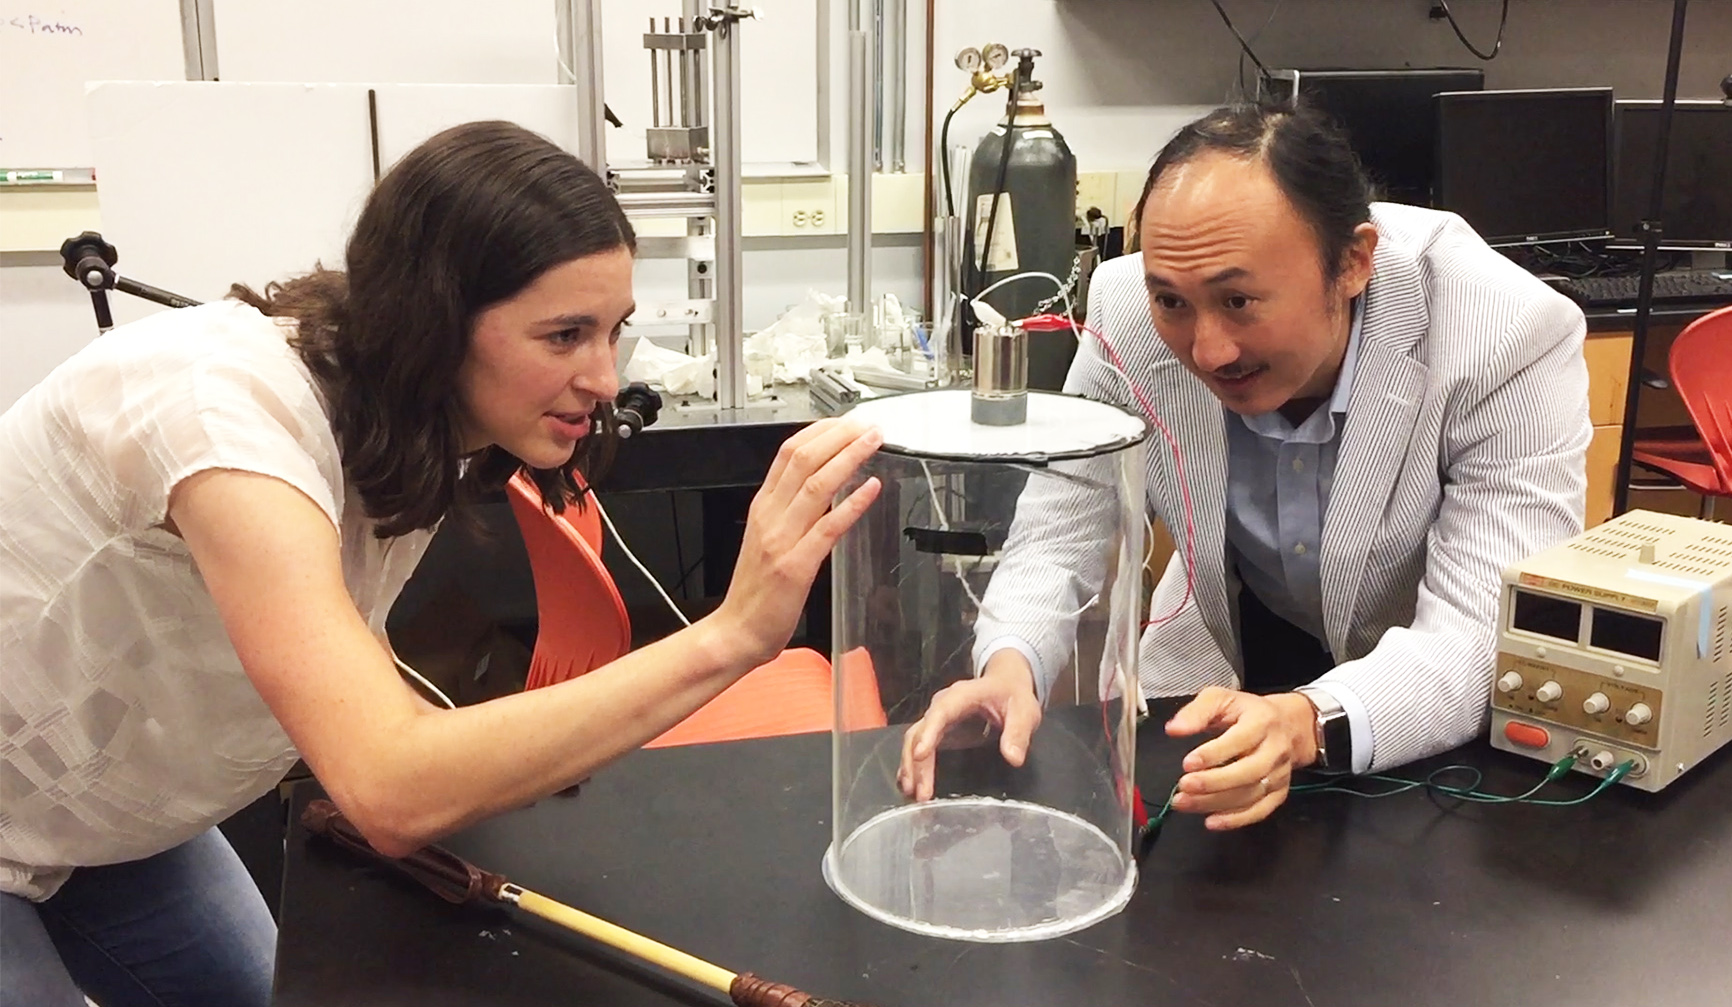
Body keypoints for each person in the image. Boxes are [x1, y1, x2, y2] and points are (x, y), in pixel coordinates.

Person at [0, 120, 882, 1006]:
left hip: (110, 820)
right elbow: (388, 789)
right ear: (435, 319)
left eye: (612, 329)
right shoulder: (225, 418)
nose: (606, 377)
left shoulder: (407, 419)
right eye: (564, 334)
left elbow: (327, 651)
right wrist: (733, 634)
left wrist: (509, 742)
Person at [899, 102, 1591, 831]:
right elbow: (1062, 520)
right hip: (1212, 680)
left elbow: (1480, 631)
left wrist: (1306, 719)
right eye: (1173, 302)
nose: (1208, 350)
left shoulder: (1506, 333)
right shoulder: (1131, 310)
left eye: (1240, 301)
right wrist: (1011, 665)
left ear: (1353, 262)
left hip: (1416, 726)